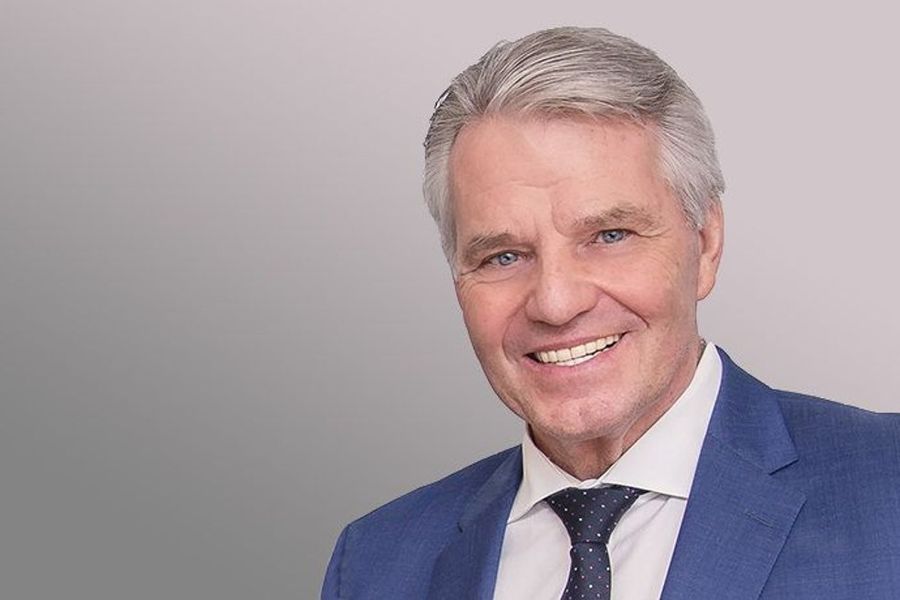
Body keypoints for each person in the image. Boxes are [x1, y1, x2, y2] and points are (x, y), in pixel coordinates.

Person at [321, 27, 900, 599]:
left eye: (609, 235)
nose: (556, 303)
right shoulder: (377, 564)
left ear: (705, 243)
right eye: (503, 256)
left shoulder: (886, 489)